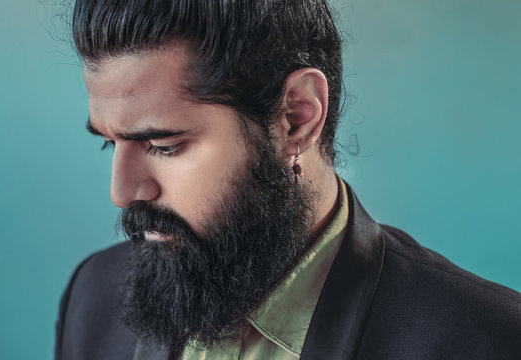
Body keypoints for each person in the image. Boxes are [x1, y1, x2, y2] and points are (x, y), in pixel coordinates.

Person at [55, 0, 520, 359]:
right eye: (109, 143)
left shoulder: (486, 339)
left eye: (164, 145)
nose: (121, 193)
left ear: (296, 117)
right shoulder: (92, 297)